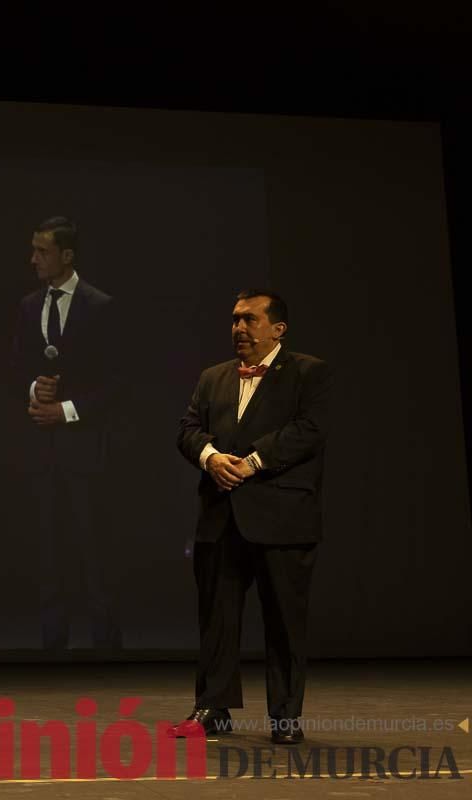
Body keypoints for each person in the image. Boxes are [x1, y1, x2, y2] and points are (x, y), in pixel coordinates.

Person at [173, 290, 332, 745]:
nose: (239, 328)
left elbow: (309, 430)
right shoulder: (213, 378)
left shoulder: (309, 372)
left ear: (278, 329)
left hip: (282, 515)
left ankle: (285, 716)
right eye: (234, 319)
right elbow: (187, 428)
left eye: (249, 319)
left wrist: (252, 461)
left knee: (283, 619)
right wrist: (209, 456)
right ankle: (213, 709)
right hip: (222, 513)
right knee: (217, 617)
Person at [11, 216, 123, 650]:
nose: (33, 259)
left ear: (67, 255)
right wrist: (34, 391)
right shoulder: (28, 306)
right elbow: (18, 365)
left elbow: (118, 382)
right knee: (49, 553)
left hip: (87, 451)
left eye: (42, 251)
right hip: (43, 451)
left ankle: (106, 650)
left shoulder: (99, 306)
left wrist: (67, 411)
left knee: (95, 552)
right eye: (34, 249)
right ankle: (51, 648)